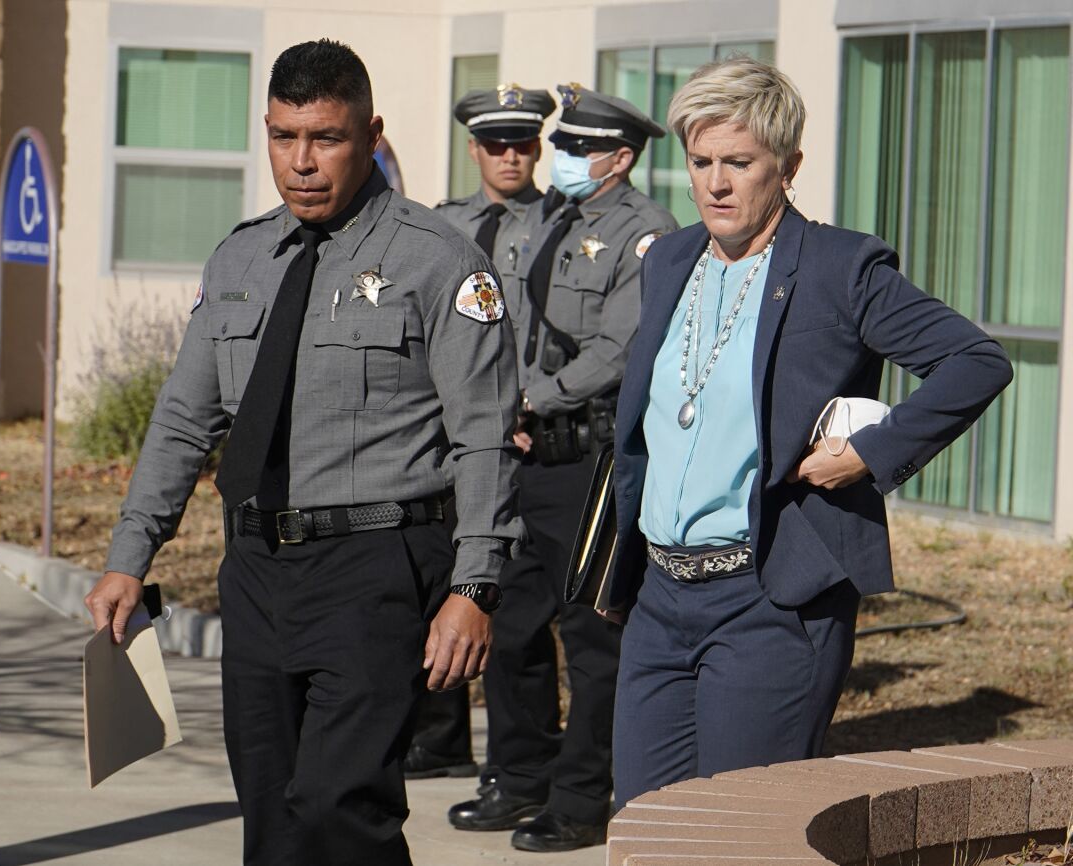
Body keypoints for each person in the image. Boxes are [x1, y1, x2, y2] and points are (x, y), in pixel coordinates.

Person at [83, 39, 523, 866]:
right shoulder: (242, 257)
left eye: (326, 138)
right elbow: (184, 419)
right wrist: (127, 555)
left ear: (371, 134)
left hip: (375, 565)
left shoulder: (438, 262)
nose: (303, 162)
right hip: (254, 568)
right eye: (284, 137)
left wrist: (475, 586)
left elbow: (485, 437)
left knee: (338, 808)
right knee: (272, 816)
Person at [607, 56, 1014, 805]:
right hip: (659, 598)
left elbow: (974, 360)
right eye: (700, 162)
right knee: (642, 825)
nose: (716, 184)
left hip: (770, 599)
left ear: (788, 166)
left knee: (737, 833)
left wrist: (867, 453)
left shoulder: (840, 266)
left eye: (739, 162)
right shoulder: (668, 259)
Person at [448, 84, 678, 853]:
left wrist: (526, 400)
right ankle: (519, 781)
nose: (561, 159)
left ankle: (581, 799)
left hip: (585, 458)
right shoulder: (555, 219)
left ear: (621, 158)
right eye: (563, 146)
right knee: (507, 627)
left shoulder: (645, 232)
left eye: (580, 149)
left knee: (590, 641)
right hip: (524, 457)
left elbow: (619, 351)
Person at [407, 84, 555, 783]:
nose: (509, 155)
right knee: (437, 581)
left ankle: (523, 762)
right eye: (494, 143)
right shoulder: (442, 226)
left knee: (512, 603)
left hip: (531, 437)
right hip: (448, 439)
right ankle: (439, 738)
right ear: (474, 149)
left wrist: (525, 407)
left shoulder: (563, 226)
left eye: (522, 142)